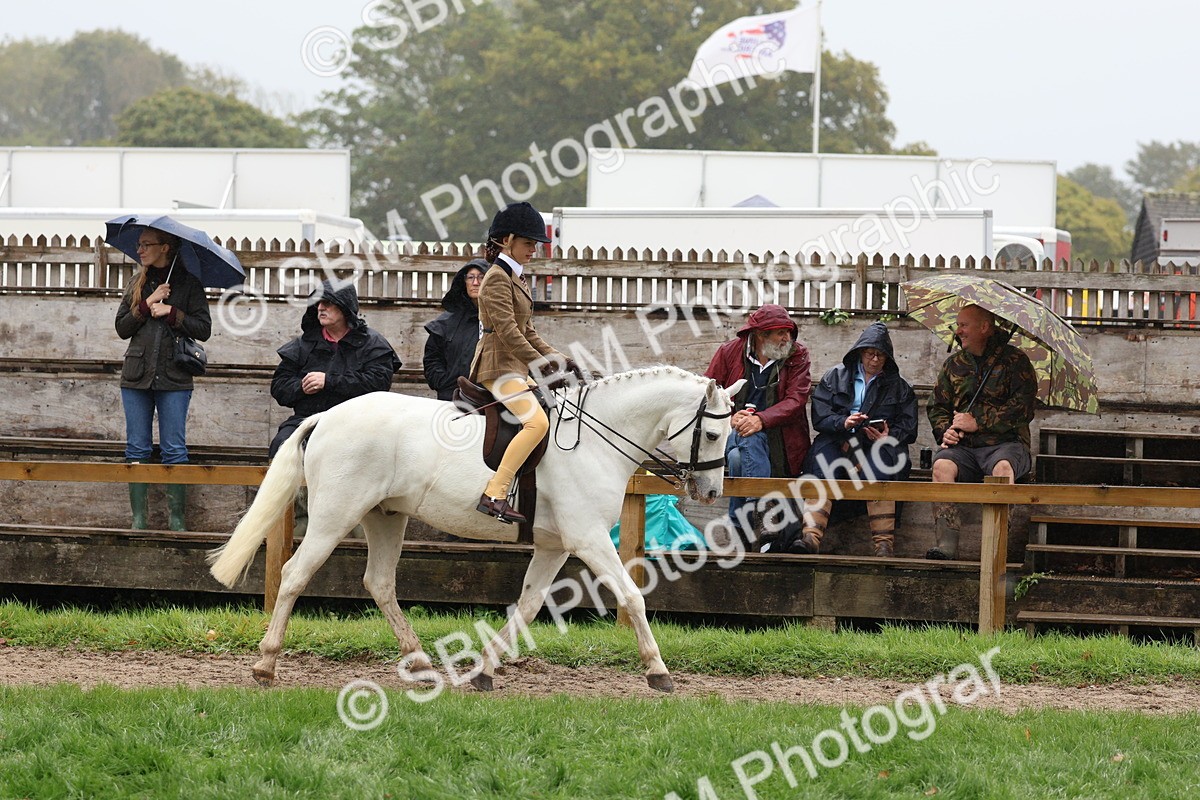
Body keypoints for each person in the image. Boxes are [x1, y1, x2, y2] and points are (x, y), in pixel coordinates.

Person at [470, 201, 579, 524]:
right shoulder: (496, 278)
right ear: (507, 241)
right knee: (537, 423)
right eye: (529, 243)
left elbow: (528, 330)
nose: (534, 250)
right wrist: (540, 364)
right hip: (496, 366)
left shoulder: (516, 277)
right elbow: (507, 332)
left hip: (513, 366)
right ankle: (496, 492)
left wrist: (559, 358)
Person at [115, 229, 212, 531]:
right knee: (137, 449)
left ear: (165, 247)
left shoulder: (190, 285)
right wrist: (148, 303)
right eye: (139, 244)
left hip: (174, 376)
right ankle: (138, 521)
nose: (140, 249)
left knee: (173, 449)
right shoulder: (137, 282)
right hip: (136, 376)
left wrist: (172, 312)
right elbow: (121, 327)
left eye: (147, 245)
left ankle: (177, 521)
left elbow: (204, 328)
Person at [926, 304, 1037, 560]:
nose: (959, 330)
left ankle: (995, 549)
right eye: (958, 325)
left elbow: (1024, 408)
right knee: (942, 467)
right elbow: (937, 407)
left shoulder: (1015, 362)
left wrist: (979, 422)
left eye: (964, 325)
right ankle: (945, 546)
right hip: (965, 449)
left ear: (985, 327)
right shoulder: (953, 365)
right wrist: (946, 432)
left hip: (1006, 445)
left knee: (1002, 471)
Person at [797, 322, 918, 556]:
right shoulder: (834, 376)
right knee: (822, 469)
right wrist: (843, 422)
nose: (874, 360)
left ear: (888, 358)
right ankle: (811, 538)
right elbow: (820, 416)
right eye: (870, 353)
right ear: (860, 352)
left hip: (875, 445)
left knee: (879, 474)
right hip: (836, 439)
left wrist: (888, 435)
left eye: (880, 356)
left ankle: (884, 545)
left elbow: (909, 426)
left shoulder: (900, 387)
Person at [704, 303, 812, 545]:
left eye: (789, 332)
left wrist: (761, 420)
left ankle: (740, 527)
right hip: (732, 432)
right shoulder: (728, 352)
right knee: (747, 436)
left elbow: (796, 400)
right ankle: (763, 511)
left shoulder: (797, 355)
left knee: (738, 459)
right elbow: (708, 392)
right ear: (761, 336)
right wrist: (730, 417)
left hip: (780, 440)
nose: (788, 338)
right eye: (780, 333)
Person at [269, 279, 401, 457]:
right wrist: (302, 387)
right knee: (282, 446)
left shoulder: (372, 343)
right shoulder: (303, 345)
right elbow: (279, 386)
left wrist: (329, 381)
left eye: (328, 303)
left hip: (358, 422)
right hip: (308, 421)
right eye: (318, 303)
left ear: (344, 308)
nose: (321, 308)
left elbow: (379, 383)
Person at [423, 258, 488, 401]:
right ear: (463, 282)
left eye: (481, 277)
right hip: (451, 399)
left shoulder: (502, 319)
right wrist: (442, 382)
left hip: (491, 399)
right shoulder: (446, 323)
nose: (475, 283)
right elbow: (432, 357)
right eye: (470, 277)